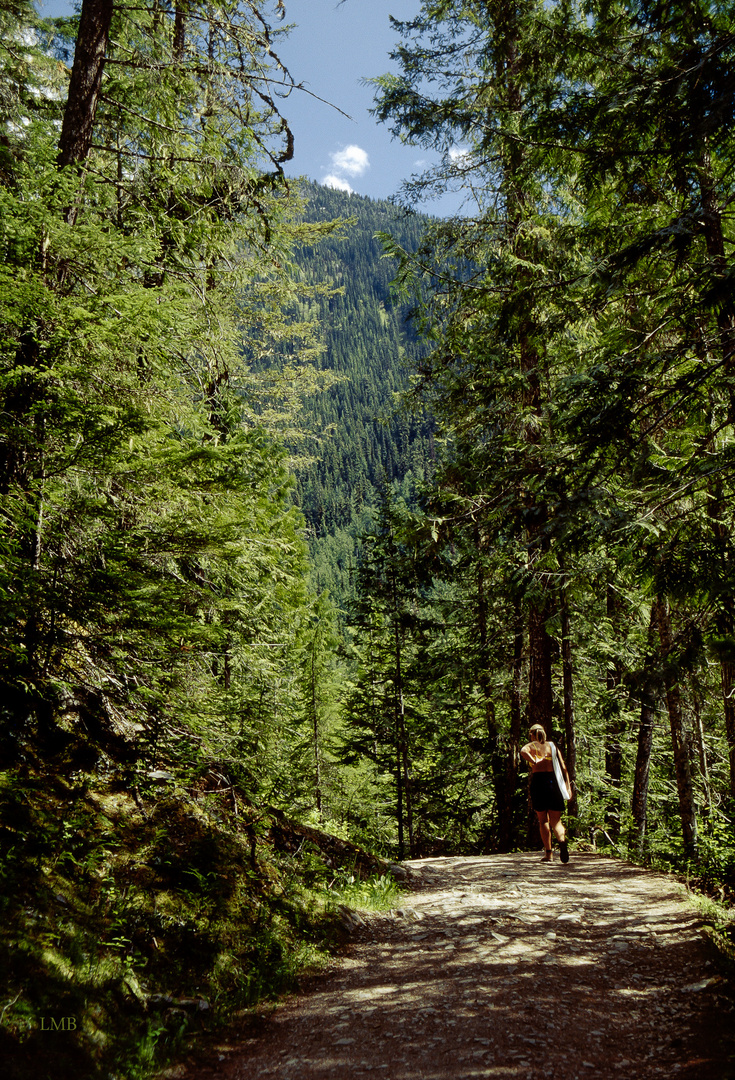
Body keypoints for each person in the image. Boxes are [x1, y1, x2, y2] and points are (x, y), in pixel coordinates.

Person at [520, 724, 572, 863]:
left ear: (532, 734)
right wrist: (567, 787)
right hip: (553, 783)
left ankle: (548, 854)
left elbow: (523, 751)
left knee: (543, 819)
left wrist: (534, 760)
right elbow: (563, 767)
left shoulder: (531, 746)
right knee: (556, 820)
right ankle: (561, 841)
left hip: (539, 783)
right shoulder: (552, 746)